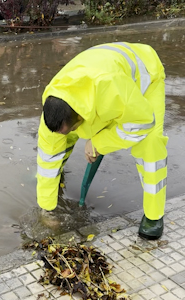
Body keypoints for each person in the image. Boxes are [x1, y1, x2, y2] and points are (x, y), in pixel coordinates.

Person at [36, 42, 168, 240]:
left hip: (145, 79)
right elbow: (47, 157)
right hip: (103, 76)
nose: (71, 131)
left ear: (80, 117)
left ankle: (154, 216)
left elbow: (142, 123)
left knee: (151, 144)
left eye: (74, 127)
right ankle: (58, 179)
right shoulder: (55, 104)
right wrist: (47, 209)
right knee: (59, 142)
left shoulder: (110, 87)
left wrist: (98, 143)